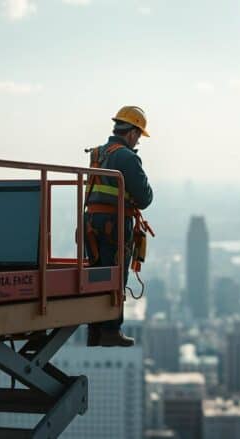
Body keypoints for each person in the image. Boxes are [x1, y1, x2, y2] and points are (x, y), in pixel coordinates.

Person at [85, 106, 153, 347]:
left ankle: (95, 330)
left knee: (97, 274)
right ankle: (111, 330)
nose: (137, 142)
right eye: (138, 137)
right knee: (115, 276)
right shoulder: (126, 156)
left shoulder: (97, 153)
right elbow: (145, 197)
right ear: (133, 132)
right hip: (114, 223)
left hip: (91, 222)